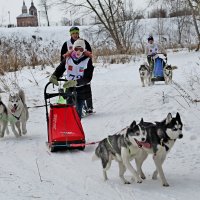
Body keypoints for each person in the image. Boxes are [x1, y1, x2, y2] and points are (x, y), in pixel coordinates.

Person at [49, 39, 94, 118]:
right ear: (73, 49)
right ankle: (70, 129)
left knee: (77, 113)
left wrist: (76, 82)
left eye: (81, 49)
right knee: (70, 111)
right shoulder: (68, 59)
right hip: (70, 89)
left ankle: (76, 126)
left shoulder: (87, 61)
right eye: (76, 49)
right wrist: (54, 76)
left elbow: (88, 78)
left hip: (82, 90)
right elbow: (60, 69)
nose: (78, 52)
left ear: (84, 50)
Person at [60, 26, 94, 114]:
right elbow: (62, 58)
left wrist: (88, 66)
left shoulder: (84, 42)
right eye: (73, 33)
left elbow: (89, 54)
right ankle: (72, 107)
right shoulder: (66, 44)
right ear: (71, 34)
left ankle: (89, 107)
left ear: (78, 33)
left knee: (85, 85)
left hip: (82, 67)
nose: (75, 35)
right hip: (71, 68)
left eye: (76, 33)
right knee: (70, 88)